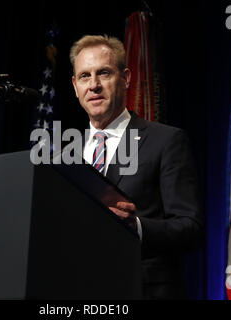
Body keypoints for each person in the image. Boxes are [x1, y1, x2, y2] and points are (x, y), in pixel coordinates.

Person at [70, 34, 203, 299]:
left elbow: (190, 227)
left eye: (104, 73)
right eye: (85, 76)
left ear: (126, 78)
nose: (93, 85)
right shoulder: (65, 157)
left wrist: (138, 228)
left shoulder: (166, 141)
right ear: (75, 86)